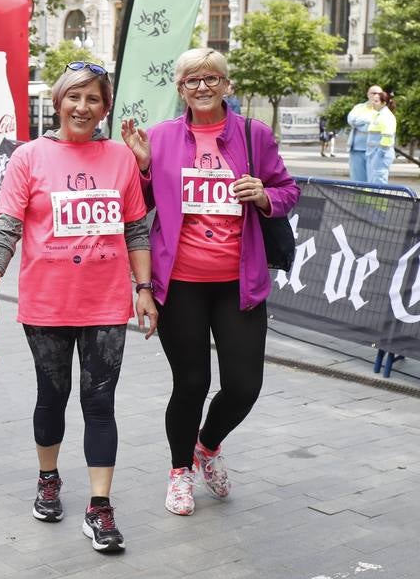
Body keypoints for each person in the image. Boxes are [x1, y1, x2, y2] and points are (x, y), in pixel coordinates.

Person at [0, 61, 157, 553]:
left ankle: (100, 508)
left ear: (104, 107)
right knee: (52, 398)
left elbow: (136, 229)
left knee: (99, 404)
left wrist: (144, 289)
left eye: (93, 98)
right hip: (46, 306)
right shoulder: (28, 157)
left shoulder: (119, 158)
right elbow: (6, 229)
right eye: (74, 97)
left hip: (106, 306)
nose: (82, 106)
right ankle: (48, 478)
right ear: (57, 102)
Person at [120, 47, 299, 517]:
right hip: (179, 284)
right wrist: (141, 166)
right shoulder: (159, 138)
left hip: (239, 282)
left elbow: (288, 190)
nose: (202, 87)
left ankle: (208, 446)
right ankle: (180, 471)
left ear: (227, 85)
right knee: (191, 382)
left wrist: (263, 194)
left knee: (244, 385)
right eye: (192, 80)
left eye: (211, 78)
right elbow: (137, 206)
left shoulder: (253, 135)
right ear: (180, 89)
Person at [346, 85, 382, 182]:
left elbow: (372, 127)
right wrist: (368, 120)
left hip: (374, 151)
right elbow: (351, 120)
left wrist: (360, 122)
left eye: (379, 93)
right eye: (374, 93)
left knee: (373, 180)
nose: (377, 96)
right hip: (356, 150)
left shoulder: (382, 110)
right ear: (368, 94)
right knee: (357, 181)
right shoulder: (359, 107)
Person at [365, 89, 397, 185]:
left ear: (383, 103)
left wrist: (380, 153)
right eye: (373, 100)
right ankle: (373, 199)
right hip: (374, 153)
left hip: (380, 154)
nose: (373, 103)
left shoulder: (386, 116)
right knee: (372, 181)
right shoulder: (378, 115)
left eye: (376, 101)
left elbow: (387, 137)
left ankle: (380, 200)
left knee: (379, 181)